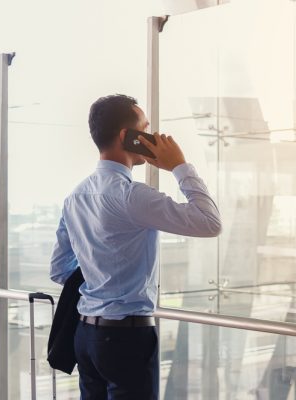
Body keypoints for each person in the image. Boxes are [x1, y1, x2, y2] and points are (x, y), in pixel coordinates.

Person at [49, 94, 221, 399]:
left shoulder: (76, 196)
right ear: (126, 137)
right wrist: (179, 165)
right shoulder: (131, 196)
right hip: (126, 338)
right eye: (146, 128)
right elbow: (209, 222)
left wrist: (100, 273)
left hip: (85, 336)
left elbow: (60, 269)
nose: (152, 136)